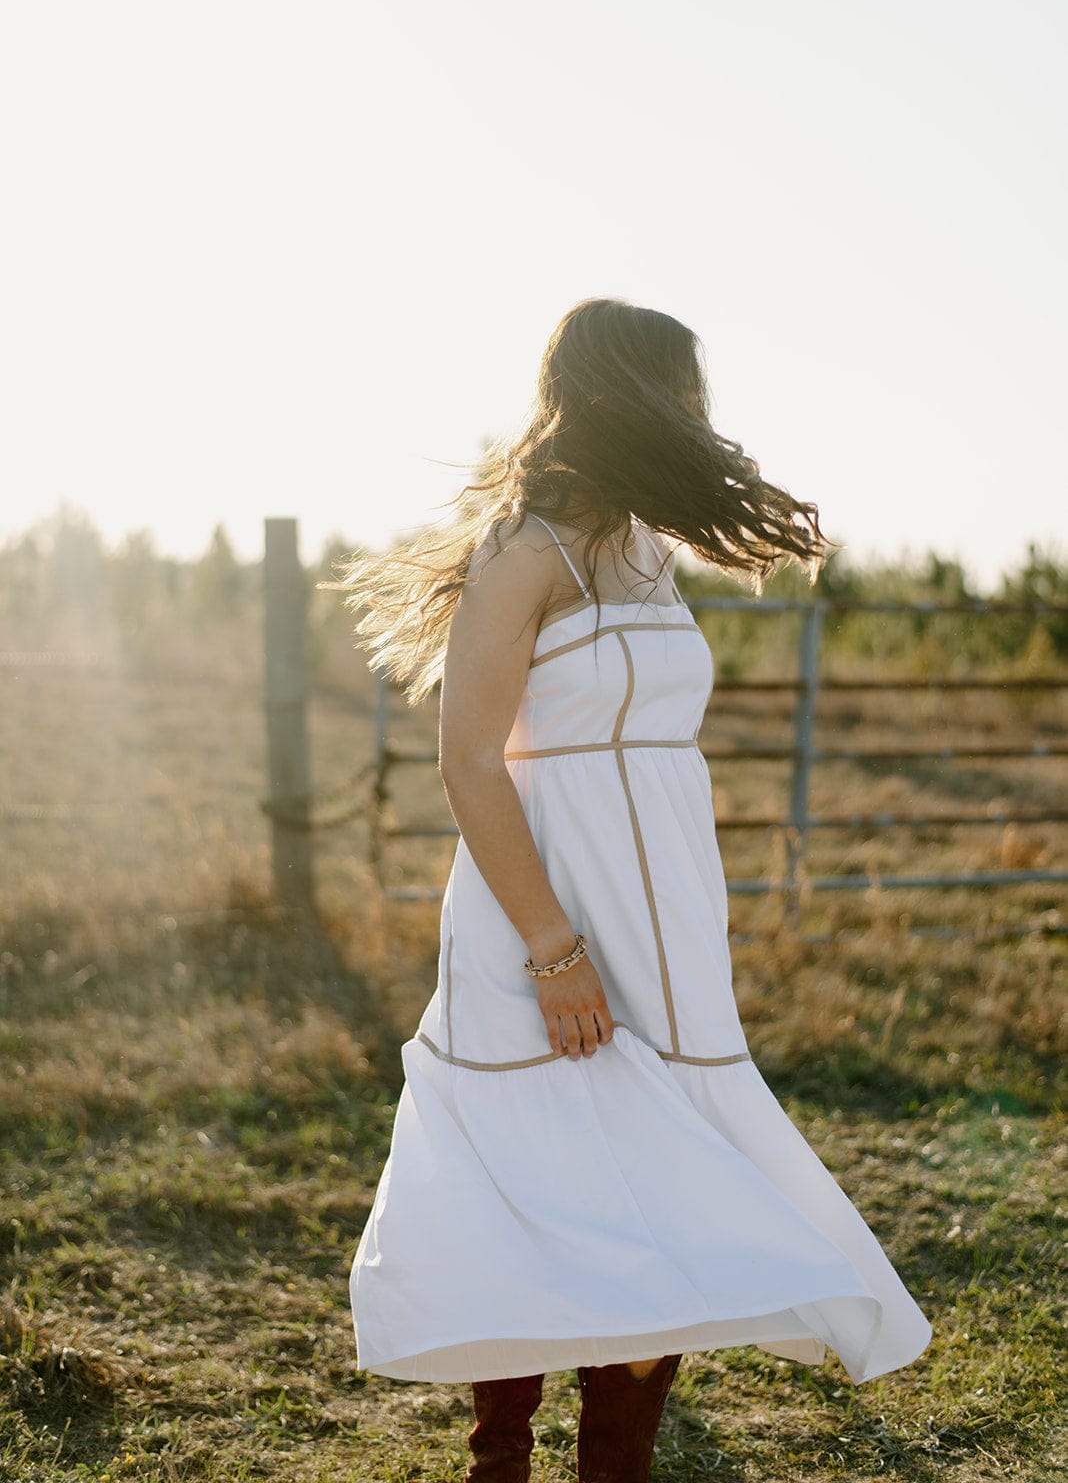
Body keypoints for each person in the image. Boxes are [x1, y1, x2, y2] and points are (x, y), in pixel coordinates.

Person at [329, 298, 931, 1482]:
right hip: (543, 904)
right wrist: (554, 949)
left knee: (667, 1175)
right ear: (629, 394)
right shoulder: (523, 550)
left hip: (663, 917)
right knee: (533, 1162)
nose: (699, 418)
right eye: (683, 393)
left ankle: (616, 1466)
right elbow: (468, 762)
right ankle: (498, 1456)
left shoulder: (650, 548)